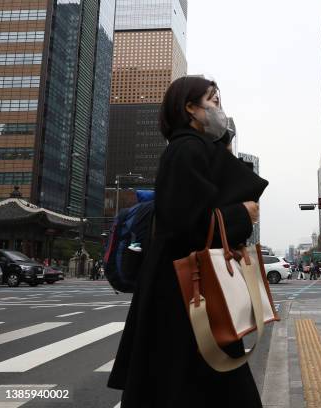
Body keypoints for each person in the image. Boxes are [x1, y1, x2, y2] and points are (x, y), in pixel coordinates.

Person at [108, 76, 268, 407]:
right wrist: (242, 213)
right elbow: (187, 225)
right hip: (187, 295)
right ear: (190, 108)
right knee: (201, 386)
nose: (219, 109)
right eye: (213, 101)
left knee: (183, 386)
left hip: (181, 292)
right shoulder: (187, 150)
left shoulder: (187, 149)